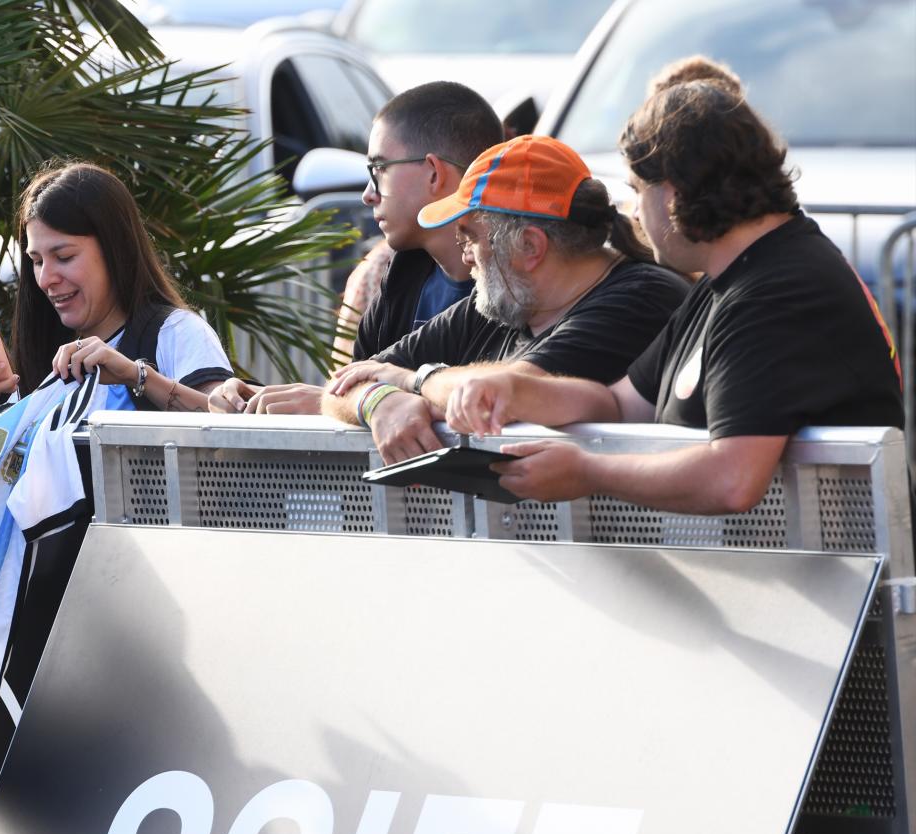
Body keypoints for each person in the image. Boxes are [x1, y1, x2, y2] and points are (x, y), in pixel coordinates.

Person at [444, 77, 903, 513]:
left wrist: (590, 471)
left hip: (831, 585)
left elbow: (733, 478)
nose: (632, 212)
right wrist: (515, 389)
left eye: (636, 190)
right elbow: (619, 404)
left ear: (674, 194)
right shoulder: (726, 281)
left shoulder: (778, 289)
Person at [322, 134, 689, 463]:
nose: (464, 254)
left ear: (530, 246)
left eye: (470, 237)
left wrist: (412, 383)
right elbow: (342, 385)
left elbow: (503, 393)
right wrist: (380, 402)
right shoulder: (503, 299)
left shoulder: (641, 298)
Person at [210, 81, 504, 415]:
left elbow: (499, 407)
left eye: (379, 169)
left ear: (434, 174)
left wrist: (342, 401)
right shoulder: (395, 274)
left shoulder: (519, 288)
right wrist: (255, 399)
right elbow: (353, 391)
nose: (368, 194)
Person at [0, 161, 233, 415]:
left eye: (64, 257)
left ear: (115, 249)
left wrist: (137, 376)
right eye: (36, 261)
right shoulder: (40, 350)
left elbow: (227, 430)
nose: (46, 279)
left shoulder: (176, 331)